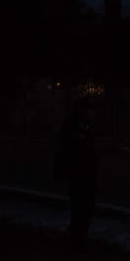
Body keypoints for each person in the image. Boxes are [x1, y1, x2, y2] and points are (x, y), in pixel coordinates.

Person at [54, 97, 98, 248]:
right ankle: (78, 233)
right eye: (89, 109)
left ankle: (78, 231)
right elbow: (78, 147)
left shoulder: (80, 124)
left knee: (81, 203)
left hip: (82, 171)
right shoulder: (78, 125)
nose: (91, 113)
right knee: (82, 204)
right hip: (80, 171)